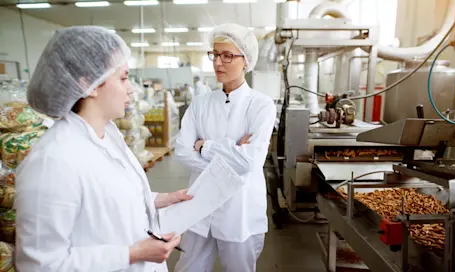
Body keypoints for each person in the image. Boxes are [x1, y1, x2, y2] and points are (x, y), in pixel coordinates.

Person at [14, 26, 192, 272]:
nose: (132, 88)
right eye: (123, 77)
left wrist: (162, 199)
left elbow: (109, 199)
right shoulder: (52, 162)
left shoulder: (108, 133)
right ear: (90, 85)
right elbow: (42, 265)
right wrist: (133, 254)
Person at [174, 23, 277, 272]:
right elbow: (182, 151)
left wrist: (206, 147)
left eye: (228, 55)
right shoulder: (200, 104)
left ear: (246, 60)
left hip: (238, 211)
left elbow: (250, 162)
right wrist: (231, 152)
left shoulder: (261, 106)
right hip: (200, 206)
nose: (218, 62)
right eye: (215, 54)